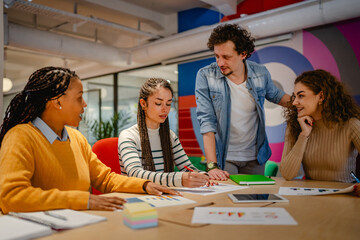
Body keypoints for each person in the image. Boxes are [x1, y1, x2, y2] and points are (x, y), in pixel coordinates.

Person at [0, 67, 180, 214]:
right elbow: (10, 196)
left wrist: (145, 185)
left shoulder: (76, 138)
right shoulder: (21, 137)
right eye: (79, 98)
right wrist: (81, 200)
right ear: (56, 102)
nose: (85, 104)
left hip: (80, 222)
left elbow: (105, 179)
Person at [195, 24, 290, 180]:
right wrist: (212, 165)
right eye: (217, 56)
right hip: (224, 157)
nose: (220, 63)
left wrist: (304, 105)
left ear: (243, 54)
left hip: (255, 157)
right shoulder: (206, 76)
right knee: (227, 201)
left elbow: (276, 95)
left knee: (254, 201)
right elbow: (206, 121)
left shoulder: (260, 72)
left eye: (226, 57)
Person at [280, 70, 360, 197]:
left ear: (321, 97)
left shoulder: (351, 125)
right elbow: (287, 174)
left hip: (344, 196)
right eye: (294, 96)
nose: (294, 102)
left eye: (301, 96)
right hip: (311, 197)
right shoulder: (295, 126)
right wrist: (304, 135)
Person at [118, 78, 210, 188]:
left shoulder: (170, 136)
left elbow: (187, 167)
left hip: (165, 195)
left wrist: (202, 176)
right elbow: (135, 174)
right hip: (138, 197)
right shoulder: (129, 136)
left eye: (168, 104)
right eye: (158, 103)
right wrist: (179, 179)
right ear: (143, 103)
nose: (165, 109)